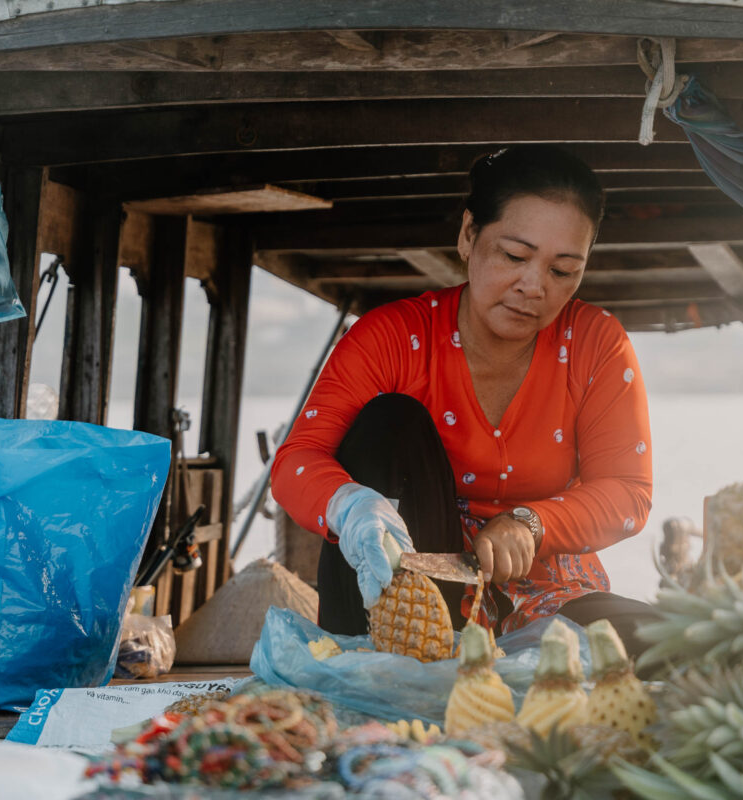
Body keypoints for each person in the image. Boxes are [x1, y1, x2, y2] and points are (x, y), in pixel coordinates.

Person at [270, 144, 656, 657]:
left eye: (562, 270)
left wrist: (532, 523)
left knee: (661, 643)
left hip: (549, 589)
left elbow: (628, 492)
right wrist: (353, 508)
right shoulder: (390, 336)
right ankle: (371, 649)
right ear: (469, 235)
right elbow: (296, 461)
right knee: (390, 418)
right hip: (410, 589)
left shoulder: (595, 343)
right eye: (515, 256)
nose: (533, 286)